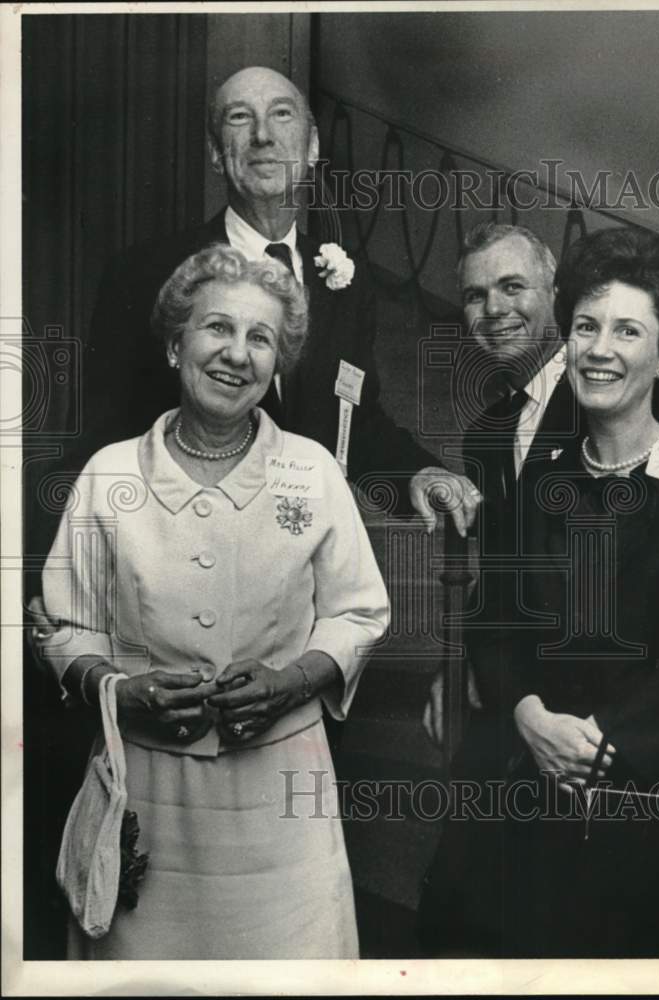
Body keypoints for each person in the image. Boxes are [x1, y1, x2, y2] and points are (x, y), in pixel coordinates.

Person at [39, 245, 389, 959]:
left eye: (260, 338)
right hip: (146, 793)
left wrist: (292, 681)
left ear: (278, 362)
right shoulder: (109, 477)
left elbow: (358, 613)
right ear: (175, 345)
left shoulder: (311, 472)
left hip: (284, 800)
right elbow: (65, 626)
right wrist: (117, 687)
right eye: (216, 329)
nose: (237, 354)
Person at [419, 225, 659, 957]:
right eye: (585, 327)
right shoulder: (543, 482)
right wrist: (527, 712)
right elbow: (497, 618)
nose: (599, 348)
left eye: (627, 330)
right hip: (534, 788)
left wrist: (606, 739)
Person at [56, 65, 478, 535]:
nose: (262, 135)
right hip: (180, 552)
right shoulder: (144, 275)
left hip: (302, 562)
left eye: (281, 114)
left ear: (313, 148)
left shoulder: (346, 283)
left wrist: (417, 473)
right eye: (240, 118)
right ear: (217, 155)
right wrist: (45, 577)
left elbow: (356, 422)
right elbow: (93, 442)